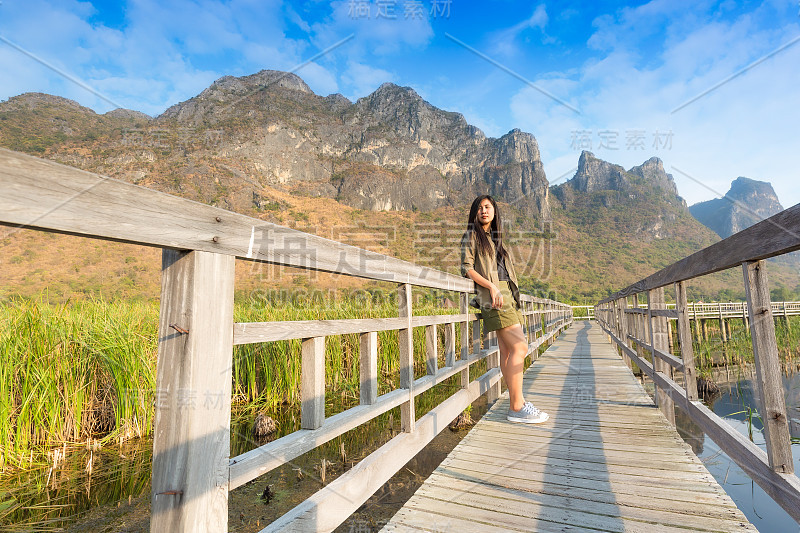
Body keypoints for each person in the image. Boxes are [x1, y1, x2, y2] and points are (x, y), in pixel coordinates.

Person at [460, 195, 549, 424]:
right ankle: (518, 406)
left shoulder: (496, 238)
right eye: (479, 208)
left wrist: (505, 290)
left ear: (494, 211)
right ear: (474, 213)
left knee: (508, 352)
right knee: (521, 346)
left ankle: (515, 405)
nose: (483, 211)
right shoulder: (472, 236)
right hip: (494, 295)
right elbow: (467, 268)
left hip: (508, 293)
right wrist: (491, 287)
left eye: (487, 207)